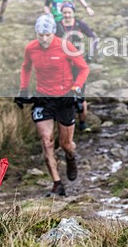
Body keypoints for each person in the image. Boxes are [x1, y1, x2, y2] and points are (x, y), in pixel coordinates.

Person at [15, 14, 90, 197]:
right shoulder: (31, 48)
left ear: (53, 33)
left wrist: (75, 88)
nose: (44, 38)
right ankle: (57, 184)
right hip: (43, 98)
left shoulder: (65, 46)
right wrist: (23, 90)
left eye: (47, 34)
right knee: (46, 140)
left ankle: (71, 157)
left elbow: (84, 68)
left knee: (66, 144)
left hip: (65, 98)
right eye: (40, 35)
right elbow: (26, 67)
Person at [56, 1, 99, 132]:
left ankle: (82, 123)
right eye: (64, 13)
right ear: (61, 13)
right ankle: (63, 121)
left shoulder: (80, 25)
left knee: (80, 96)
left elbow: (94, 38)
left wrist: (90, 55)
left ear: (73, 12)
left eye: (69, 12)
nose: (67, 15)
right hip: (62, 65)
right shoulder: (57, 26)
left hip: (78, 64)